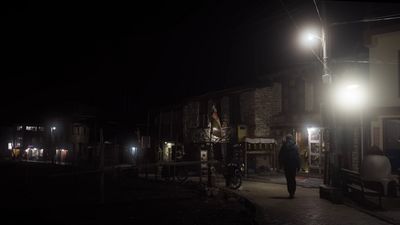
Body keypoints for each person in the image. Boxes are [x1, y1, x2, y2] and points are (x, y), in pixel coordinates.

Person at [279, 134, 301, 199]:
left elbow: (281, 156)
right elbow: (298, 157)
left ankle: (290, 192)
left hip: (287, 165)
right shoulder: (295, 146)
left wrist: (280, 165)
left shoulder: (284, 146)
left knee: (288, 179)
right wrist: (298, 166)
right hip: (293, 165)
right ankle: (293, 192)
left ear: (287, 138)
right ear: (291, 138)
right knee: (293, 179)